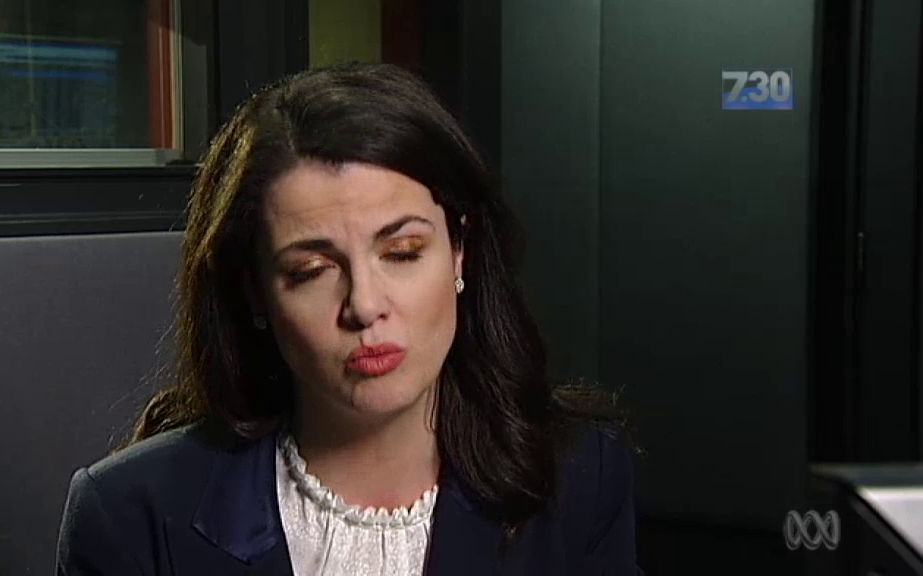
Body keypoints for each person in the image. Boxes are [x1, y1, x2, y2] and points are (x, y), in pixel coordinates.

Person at [55, 62, 641, 575]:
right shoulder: (129, 514)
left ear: (459, 252)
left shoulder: (578, 477)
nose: (364, 304)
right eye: (311, 270)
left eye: (402, 253)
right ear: (255, 293)